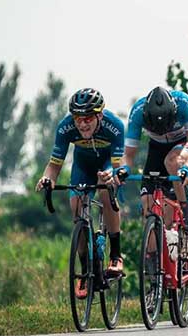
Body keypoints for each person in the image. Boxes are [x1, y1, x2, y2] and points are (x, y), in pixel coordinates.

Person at [36, 88, 126, 288]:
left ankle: (115, 255)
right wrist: (47, 178)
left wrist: (111, 175)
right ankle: (85, 269)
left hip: (107, 165)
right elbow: (54, 165)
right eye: (78, 119)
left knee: (105, 192)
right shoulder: (65, 127)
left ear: (99, 115)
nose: (82, 124)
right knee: (76, 205)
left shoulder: (115, 126)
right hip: (82, 166)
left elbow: (118, 166)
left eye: (88, 119)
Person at [123, 86, 188, 263]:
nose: (163, 130)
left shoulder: (185, 104)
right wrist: (123, 171)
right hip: (156, 147)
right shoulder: (138, 112)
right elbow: (128, 155)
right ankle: (153, 265)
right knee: (147, 204)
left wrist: (187, 168)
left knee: (173, 162)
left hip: (183, 142)